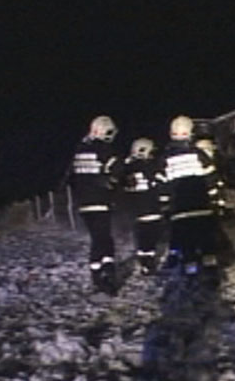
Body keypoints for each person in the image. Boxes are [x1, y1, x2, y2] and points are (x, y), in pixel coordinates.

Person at [159, 115, 222, 274]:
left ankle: (191, 272)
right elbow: (211, 178)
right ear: (191, 133)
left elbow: (162, 187)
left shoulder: (165, 159)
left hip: (179, 211)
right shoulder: (199, 154)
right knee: (207, 241)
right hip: (202, 207)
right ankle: (211, 271)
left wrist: (165, 207)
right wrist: (215, 201)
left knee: (187, 244)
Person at [69, 115, 123, 293]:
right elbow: (117, 172)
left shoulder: (79, 150)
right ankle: (107, 272)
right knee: (104, 238)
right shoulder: (104, 150)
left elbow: (71, 178)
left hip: (84, 204)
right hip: (101, 201)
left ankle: (97, 272)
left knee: (97, 237)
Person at [122, 137, 166, 275]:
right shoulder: (150, 167)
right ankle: (148, 262)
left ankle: (144, 261)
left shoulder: (126, 168)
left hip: (135, 209)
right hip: (151, 206)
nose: (152, 156)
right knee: (150, 236)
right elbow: (161, 182)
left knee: (142, 237)